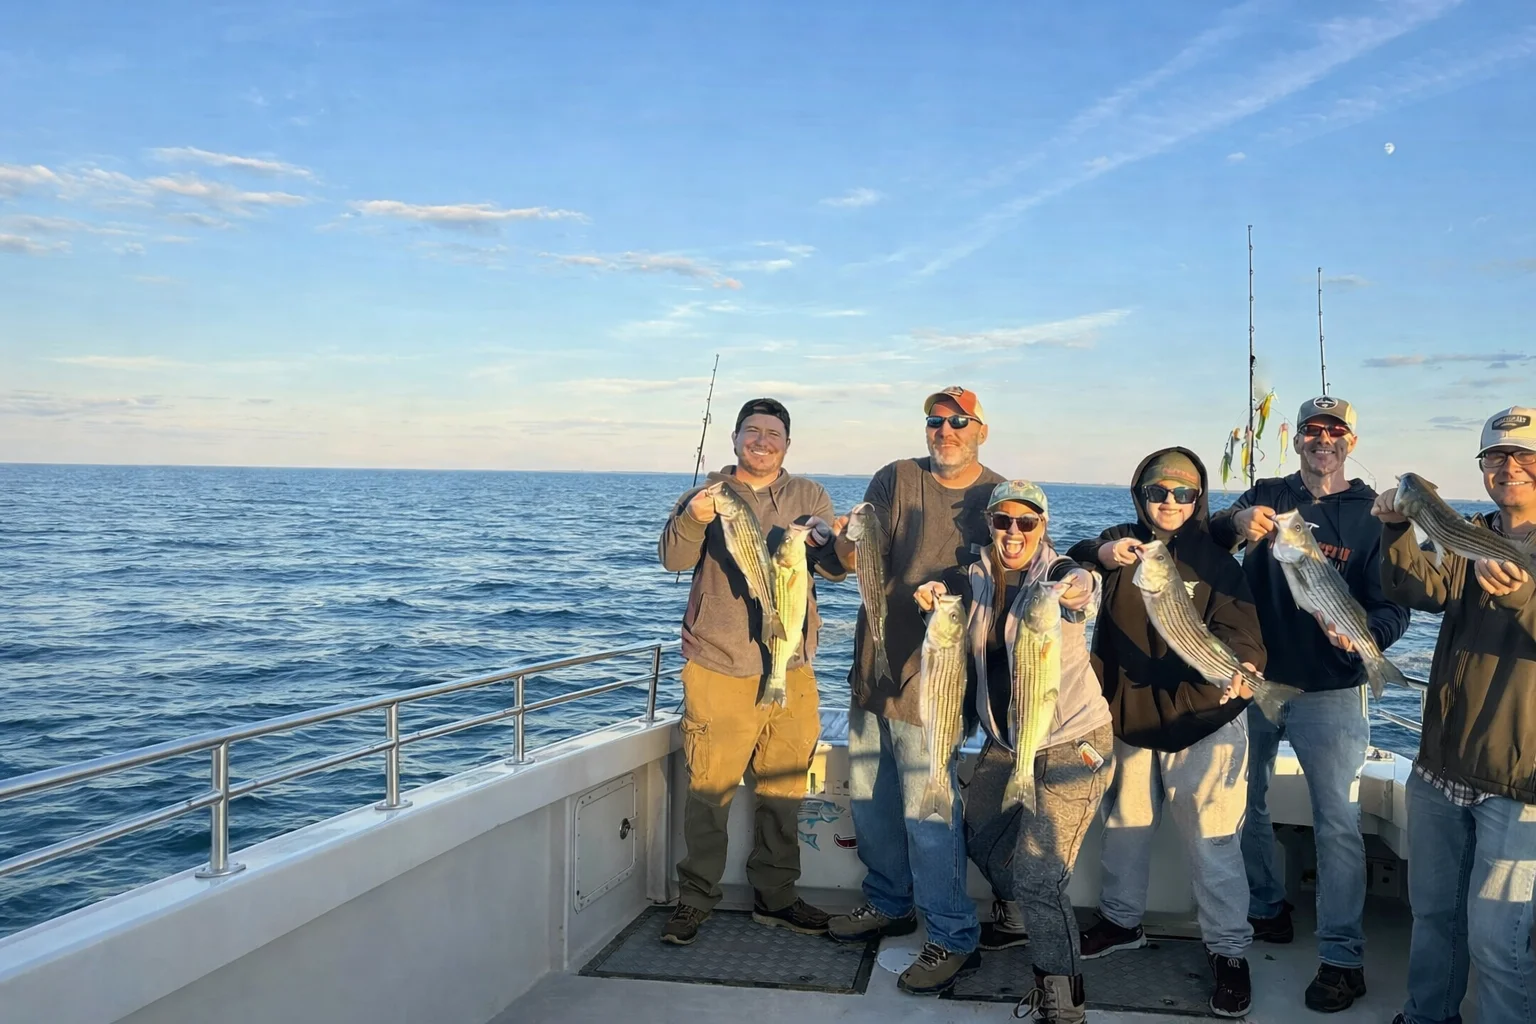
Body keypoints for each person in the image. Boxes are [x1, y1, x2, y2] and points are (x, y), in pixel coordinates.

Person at [1210, 396, 1411, 1013]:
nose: (1323, 440)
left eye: (1335, 431)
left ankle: (1341, 957)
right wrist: (1236, 525)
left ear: (1350, 441)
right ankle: (1267, 907)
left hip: (1333, 690)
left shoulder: (1371, 515)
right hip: (1255, 682)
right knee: (1242, 804)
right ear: (1296, 439)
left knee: (1338, 824)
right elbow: (1206, 539)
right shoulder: (1267, 492)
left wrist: (1366, 642)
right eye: (1312, 431)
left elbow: (1394, 606)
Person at [1067, 448, 1266, 1019]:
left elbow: (1243, 630)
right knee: (1125, 829)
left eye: (1184, 493)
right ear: (1140, 495)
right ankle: (1119, 920)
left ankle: (1228, 950)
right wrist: (1101, 555)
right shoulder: (1118, 544)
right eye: (1159, 492)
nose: (1171, 503)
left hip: (1205, 717)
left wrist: (1247, 669)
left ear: (1199, 499)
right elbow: (1067, 564)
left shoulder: (1218, 561)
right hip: (1128, 716)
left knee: (1213, 841)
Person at [824, 386, 1004, 996]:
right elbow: (851, 560)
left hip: (940, 685)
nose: (945, 430)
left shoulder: (998, 495)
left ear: (981, 428)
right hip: (873, 671)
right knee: (872, 805)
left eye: (959, 421)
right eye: (935, 421)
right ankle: (889, 902)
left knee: (929, 814)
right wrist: (848, 537)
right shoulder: (895, 478)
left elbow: (1019, 569)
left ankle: (953, 935)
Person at [915, 479, 1112, 1023]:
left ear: (1042, 527)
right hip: (1010, 743)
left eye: (1027, 522)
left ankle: (1062, 1000)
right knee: (974, 831)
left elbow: (1082, 586)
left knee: (1038, 874)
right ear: (991, 525)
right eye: (1004, 521)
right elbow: (945, 617)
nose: (1014, 532)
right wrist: (931, 597)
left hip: (1074, 744)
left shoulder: (1056, 574)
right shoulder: (973, 576)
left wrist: (1078, 584)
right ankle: (1015, 919)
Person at [655, 397, 845, 945]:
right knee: (709, 790)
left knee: (783, 788)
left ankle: (777, 896)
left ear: (788, 443)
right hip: (719, 664)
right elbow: (672, 559)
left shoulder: (808, 496)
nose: (763, 441)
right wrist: (693, 518)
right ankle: (695, 899)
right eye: (753, 431)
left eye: (774, 433)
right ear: (735, 438)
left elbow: (831, 568)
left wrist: (829, 540)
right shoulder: (707, 496)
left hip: (790, 662)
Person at [1373, 406, 1536, 1024]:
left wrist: (1521, 595)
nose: (1509, 467)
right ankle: (1426, 1017)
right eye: (1495, 457)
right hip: (1441, 765)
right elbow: (1417, 590)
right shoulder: (1469, 531)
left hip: (1518, 781)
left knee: (1500, 944)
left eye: (1525, 456)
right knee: (1434, 919)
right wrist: (1394, 531)